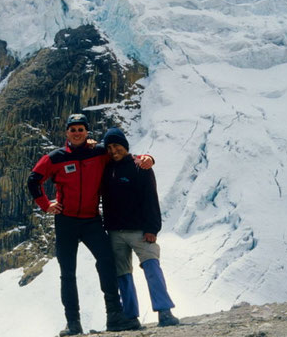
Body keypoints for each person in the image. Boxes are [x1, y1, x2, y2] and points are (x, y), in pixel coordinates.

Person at [27, 114, 152, 336]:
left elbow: (121, 154)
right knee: (68, 272)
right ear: (67, 132)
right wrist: (45, 204)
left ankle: (114, 317)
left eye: (81, 129)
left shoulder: (99, 152)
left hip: (91, 220)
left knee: (107, 263)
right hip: (66, 221)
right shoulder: (55, 158)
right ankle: (73, 323)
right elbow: (34, 180)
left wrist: (147, 157)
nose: (77, 133)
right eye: (73, 129)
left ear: (87, 132)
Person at [100, 127, 180, 327]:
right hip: (115, 232)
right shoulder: (106, 168)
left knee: (151, 266)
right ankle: (130, 317)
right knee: (123, 274)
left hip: (140, 231)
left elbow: (151, 198)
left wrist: (152, 229)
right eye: (109, 147)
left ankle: (164, 311)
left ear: (124, 145)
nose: (113, 150)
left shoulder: (140, 166)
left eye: (116, 145)